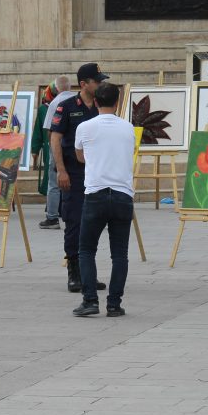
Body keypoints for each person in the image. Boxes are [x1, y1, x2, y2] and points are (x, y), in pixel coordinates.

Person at [71, 82, 136, 318]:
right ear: (117, 103)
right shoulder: (128, 128)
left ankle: (90, 300)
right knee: (119, 254)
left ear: (95, 101)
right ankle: (114, 303)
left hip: (96, 193)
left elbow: (80, 157)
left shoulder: (84, 127)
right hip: (122, 194)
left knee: (86, 249)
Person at [51, 63, 109, 293]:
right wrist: (61, 171)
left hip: (96, 173)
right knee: (74, 222)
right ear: (84, 84)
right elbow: (55, 139)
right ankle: (74, 272)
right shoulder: (66, 107)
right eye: (97, 81)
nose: (101, 84)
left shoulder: (101, 108)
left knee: (93, 222)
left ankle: (88, 272)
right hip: (73, 174)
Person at [34, 76, 71, 230]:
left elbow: (50, 131)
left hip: (59, 147)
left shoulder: (55, 103)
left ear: (56, 88)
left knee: (53, 183)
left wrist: (52, 147)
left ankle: (52, 217)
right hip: (75, 147)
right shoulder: (77, 99)